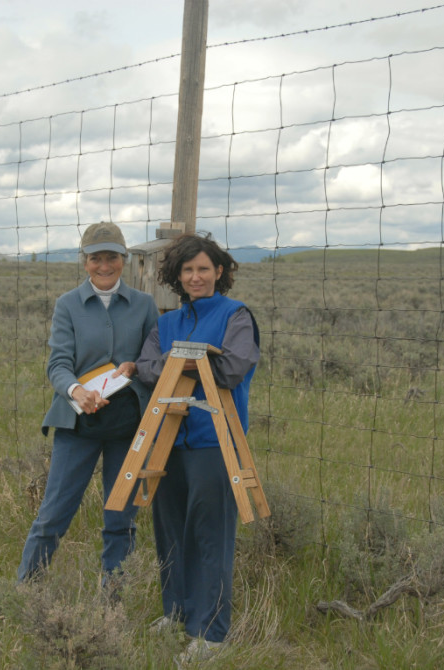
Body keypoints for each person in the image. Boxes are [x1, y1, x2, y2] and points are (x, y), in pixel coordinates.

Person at [135, 233, 260, 666]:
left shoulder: (235, 316)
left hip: (214, 440)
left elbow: (232, 367)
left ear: (219, 272)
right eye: (188, 270)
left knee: (211, 535)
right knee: (169, 529)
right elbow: (148, 368)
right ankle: (176, 612)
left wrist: (182, 362)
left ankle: (211, 633)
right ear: (178, 276)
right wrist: (188, 359)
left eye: (204, 269)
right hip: (167, 439)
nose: (195, 277)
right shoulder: (166, 322)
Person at [17, 222, 159, 591]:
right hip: (79, 420)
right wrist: (76, 391)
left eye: (112, 257)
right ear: (85, 262)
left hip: (128, 422)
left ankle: (112, 597)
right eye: (96, 258)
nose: (104, 265)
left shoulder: (144, 306)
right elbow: (58, 364)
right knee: (54, 513)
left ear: (123, 260)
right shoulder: (67, 305)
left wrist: (136, 367)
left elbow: (153, 358)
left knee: (121, 514)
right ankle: (27, 590)